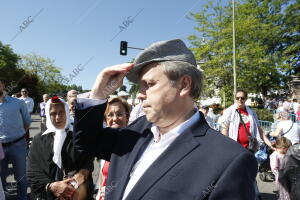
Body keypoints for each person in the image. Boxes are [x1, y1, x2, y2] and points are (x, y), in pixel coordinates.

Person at [73, 39, 258, 200]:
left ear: (183, 85)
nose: (140, 95)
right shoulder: (138, 130)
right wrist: (97, 95)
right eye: (140, 86)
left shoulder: (229, 160)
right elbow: (87, 142)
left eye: (149, 85)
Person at [27, 96, 94, 200]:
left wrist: (77, 179)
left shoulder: (77, 137)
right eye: (53, 113)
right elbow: (32, 171)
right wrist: (52, 186)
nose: (58, 117)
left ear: (67, 112)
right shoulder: (39, 140)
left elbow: (88, 162)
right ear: (48, 116)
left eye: (61, 112)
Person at [221, 90, 273, 200]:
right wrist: (226, 146)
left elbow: (259, 130)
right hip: (235, 149)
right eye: (238, 98)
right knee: (235, 174)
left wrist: (269, 143)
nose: (240, 100)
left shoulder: (251, 112)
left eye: (242, 98)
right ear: (234, 98)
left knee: (250, 172)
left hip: (249, 149)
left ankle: (254, 194)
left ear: (246, 99)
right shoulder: (230, 111)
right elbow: (224, 129)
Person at [0, 80, 31, 200]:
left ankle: (22, 198)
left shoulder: (18, 103)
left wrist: (17, 135)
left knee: (21, 177)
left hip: (17, 145)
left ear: (2, 85)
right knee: (1, 177)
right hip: (0, 147)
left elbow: (27, 122)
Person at [96, 97, 131, 200]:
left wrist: (113, 191)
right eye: (110, 115)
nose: (115, 118)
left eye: (120, 114)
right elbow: (103, 176)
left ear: (127, 117)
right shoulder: (105, 143)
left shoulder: (134, 143)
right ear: (105, 119)